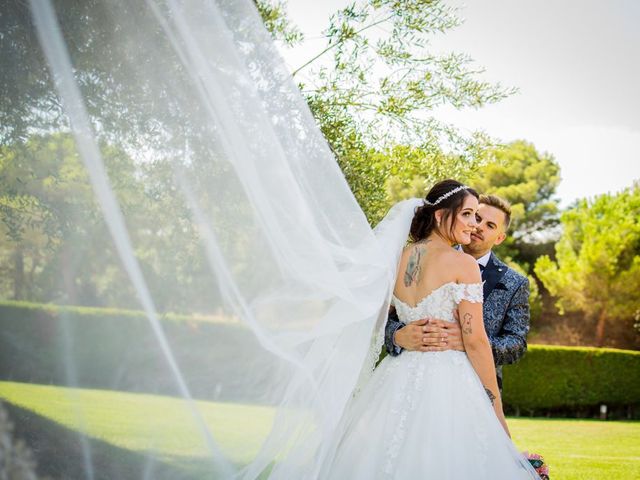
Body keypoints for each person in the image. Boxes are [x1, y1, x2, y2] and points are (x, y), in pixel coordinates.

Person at [322, 180, 539, 479]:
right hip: (449, 382)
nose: (473, 224)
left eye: (479, 218)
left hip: (395, 377)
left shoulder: (397, 259)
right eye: (467, 214)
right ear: (440, 216)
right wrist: (497, 415)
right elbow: (475, 342)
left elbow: (368, 318)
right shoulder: (463, 264)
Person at [384, 194, 530, 392]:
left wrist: (468, 342)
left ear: (500, 238)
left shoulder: (514, 283)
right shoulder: (419, 259)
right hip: (412, 379)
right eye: (476, 218)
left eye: (490, 226)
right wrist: (397, 335)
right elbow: (388, 316)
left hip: (478, 389)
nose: (479, 227)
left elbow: (516, 344)